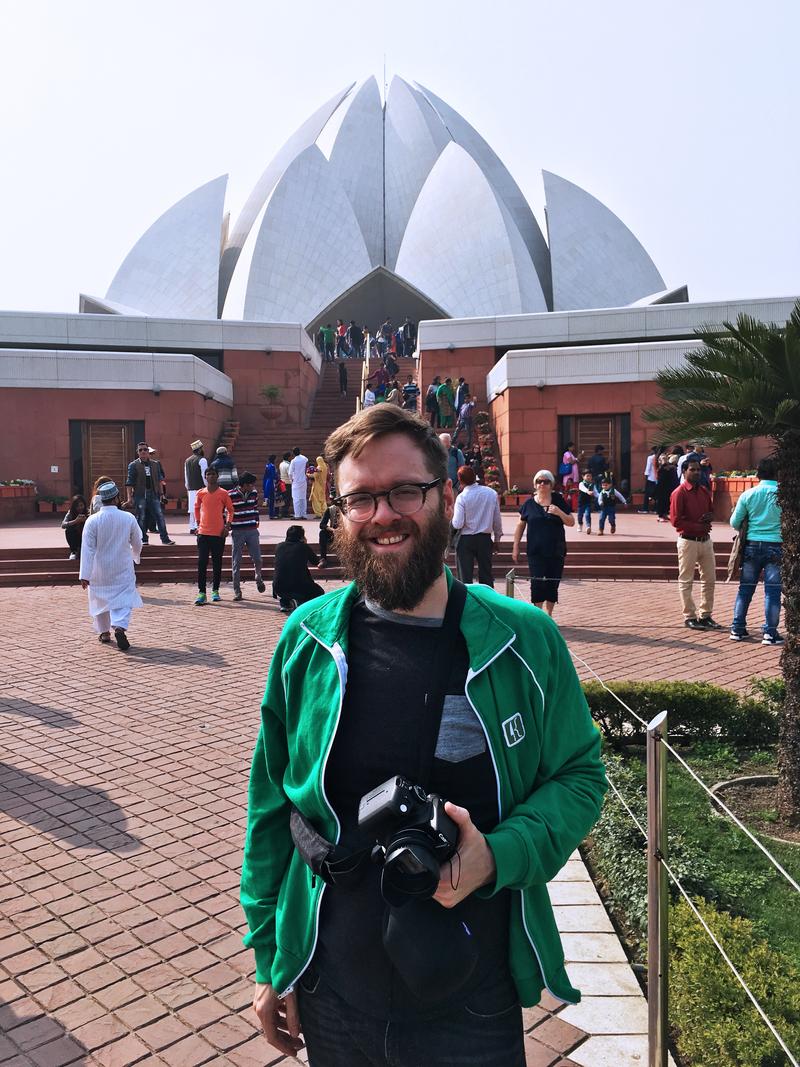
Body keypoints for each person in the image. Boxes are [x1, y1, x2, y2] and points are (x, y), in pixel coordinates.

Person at [241, 404, 606, 1066]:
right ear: (341, 513)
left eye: (405, 490)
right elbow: (273, 805)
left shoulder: (522, 640)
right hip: (331, 992)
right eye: (361, 498)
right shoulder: (307, 641)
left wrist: (500, 852)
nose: (384, 514)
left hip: (470, 1001)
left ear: (443, 496)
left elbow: (580, 774)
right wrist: (271, 958)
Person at [78, 481, 142, 651]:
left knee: (100, 599)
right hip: (122, 567)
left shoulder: (92, 521)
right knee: (123, 598)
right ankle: (119, 625)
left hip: (99, 569)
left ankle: (104, 632)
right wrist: (135, 555)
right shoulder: (128, 518)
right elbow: (137, 542)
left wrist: (84, 574)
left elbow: (87, 549)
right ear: (116, 498)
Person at [729, 457, 783, 645]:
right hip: (776, 546)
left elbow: (735, 522)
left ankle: (737, 628)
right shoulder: (783, 495)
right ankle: (770, 633)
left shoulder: (748, 494)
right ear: (777, 473)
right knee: (773, 591)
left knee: (745, 589)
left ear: (758, 473)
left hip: (751, 546)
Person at [511, 469, 574, 615]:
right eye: (539, 481)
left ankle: (549, 615)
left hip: (556, 550)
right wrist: (515, 546)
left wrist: (559, 512)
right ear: (535, 484)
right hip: (536, 551)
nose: (542, 484)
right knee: (537, 583)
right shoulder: (529, 504)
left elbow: (571, 522)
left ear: (551, 485)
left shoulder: (558, 500)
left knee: (553, 583)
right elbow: (520, 525)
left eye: (546, 481)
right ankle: (538, 615)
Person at [669, 458, 720, 630]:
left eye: (699, 470)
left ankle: (705, 615)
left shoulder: (704, 491)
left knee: (709, 579)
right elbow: (675, 521)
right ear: (684, 472)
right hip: (688, 541)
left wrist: (709, 517)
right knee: (686, 580)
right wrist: (699, 525)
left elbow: (712, 510)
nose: (697, 472)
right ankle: (689, 616)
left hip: (705, 541)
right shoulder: (679, 492)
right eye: (693, 470)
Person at [451, 465, 502, 586]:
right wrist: (497, 539)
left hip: (466, 539)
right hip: (484, 539)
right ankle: (487, 601)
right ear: (475, 477)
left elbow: (458, 523)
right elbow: (497, 520)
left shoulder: (462, 497)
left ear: (460, 479)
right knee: (486, 575)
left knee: (464, 578)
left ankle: (466, 603)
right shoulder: (491, 493)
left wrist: (450, 520)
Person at [194, 466, 235, 605]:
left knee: (217, 562)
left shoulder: (223, 493)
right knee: (202, 562)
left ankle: (215, 590)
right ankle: (201, 592)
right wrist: (198, 523)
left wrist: (227, 526)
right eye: (208, 474)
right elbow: (196, 508)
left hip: (218, 533)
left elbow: (230, 510)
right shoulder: (201, 493)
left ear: (217, 476)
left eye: (213, 474)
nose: (210, 476)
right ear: (205, 477)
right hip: (203, 533)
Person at [125, 442, 175, 546]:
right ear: (137, 453)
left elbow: (160, 480)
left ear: (148, 451)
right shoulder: (133, 465)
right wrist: (129, 498)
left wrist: (162, 494)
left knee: (159, 516)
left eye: (145, 449)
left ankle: (165, 539)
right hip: (140, 494)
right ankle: (143, 539)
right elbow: (129, 483)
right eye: (140, 450)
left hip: (153, 493)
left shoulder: (155, 464)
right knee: (141, 517)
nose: (143, 451)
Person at [229, 472, 266, 602]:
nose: (253, 487)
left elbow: (255, 507)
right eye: (251, 485)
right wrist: (227, 524)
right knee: (236, 562)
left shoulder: (254, 493)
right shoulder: (231, 494)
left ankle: (258, 576)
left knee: (257, 558)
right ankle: (237, 591)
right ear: (244, 485)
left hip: (251, 529)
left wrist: (256, 519)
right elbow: (227, 511)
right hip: (237, 531)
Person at [272, 524, 324, 612]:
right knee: (319, 592)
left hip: (278, 587)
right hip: (298, 585)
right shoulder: (303, 547)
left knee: (287, 582)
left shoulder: (279, 546)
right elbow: (316, 561)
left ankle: (285, 602)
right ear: (301, 536)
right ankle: (300, 601)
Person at [184, 440, 208, 534]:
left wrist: (187, 486)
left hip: (190, 487)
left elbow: (186, 475)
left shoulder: (187, 460)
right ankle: (199, 526)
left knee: (192, 509)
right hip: (201, 487)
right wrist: (207, 485)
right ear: (200, 449)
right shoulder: (202, 460)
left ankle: (192, 526)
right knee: (201, 508)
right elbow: (204, 474)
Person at [62, 494, 88, 559]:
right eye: (77, 506)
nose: (80, 508)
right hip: (76, 538)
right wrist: (76, 521)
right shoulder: (70, 513)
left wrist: (87, 520)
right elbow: (63, 525)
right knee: (69, 529)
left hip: (86, 538)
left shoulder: (89, 512)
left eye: (81, 505)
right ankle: (74, 551)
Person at [655, 454, 679, 523]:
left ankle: (665, 514)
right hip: (661, 488)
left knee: (667, 502)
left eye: (665, 458)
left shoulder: (669, 467)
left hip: (668, 487)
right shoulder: (661, 468)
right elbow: (660, 479)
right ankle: (660, 516)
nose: (664, 460)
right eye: (663, 459)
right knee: (661, 502)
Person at [289, 447, 310, 519]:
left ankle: (297, 515)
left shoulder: (293, 461)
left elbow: (290, 473)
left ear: (293, 453)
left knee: (296, 499)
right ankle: (304, 514)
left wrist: (291, 480)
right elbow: (307, 467)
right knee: (303, 498)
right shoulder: (305, 458)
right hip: (303, 480)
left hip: (296, 481)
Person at [640, 446, 660, 513]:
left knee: (647, 494)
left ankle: (645, 508)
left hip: (651, 478)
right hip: (659, 478)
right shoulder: (661, 457)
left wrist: (646, 476)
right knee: (657, 494)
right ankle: (656, 508)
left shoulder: (650, 458)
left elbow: (648, 468)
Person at [262, 454, 278, 520]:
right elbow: (274, 475)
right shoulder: (272, 466)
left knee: (270, 499)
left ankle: (271, 514)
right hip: (271, 482)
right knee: (272, 499)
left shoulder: (267, 465)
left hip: (266, 482)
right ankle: (271, 514)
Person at [279, 451, 292, 519]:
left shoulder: (281, 464)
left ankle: (282, 512)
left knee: (284, 498)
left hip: (282, 483)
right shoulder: (288, 465)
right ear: (288, 457)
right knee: (287, 498)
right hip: (288, 483)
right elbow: (289, 474)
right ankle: (285, 512)